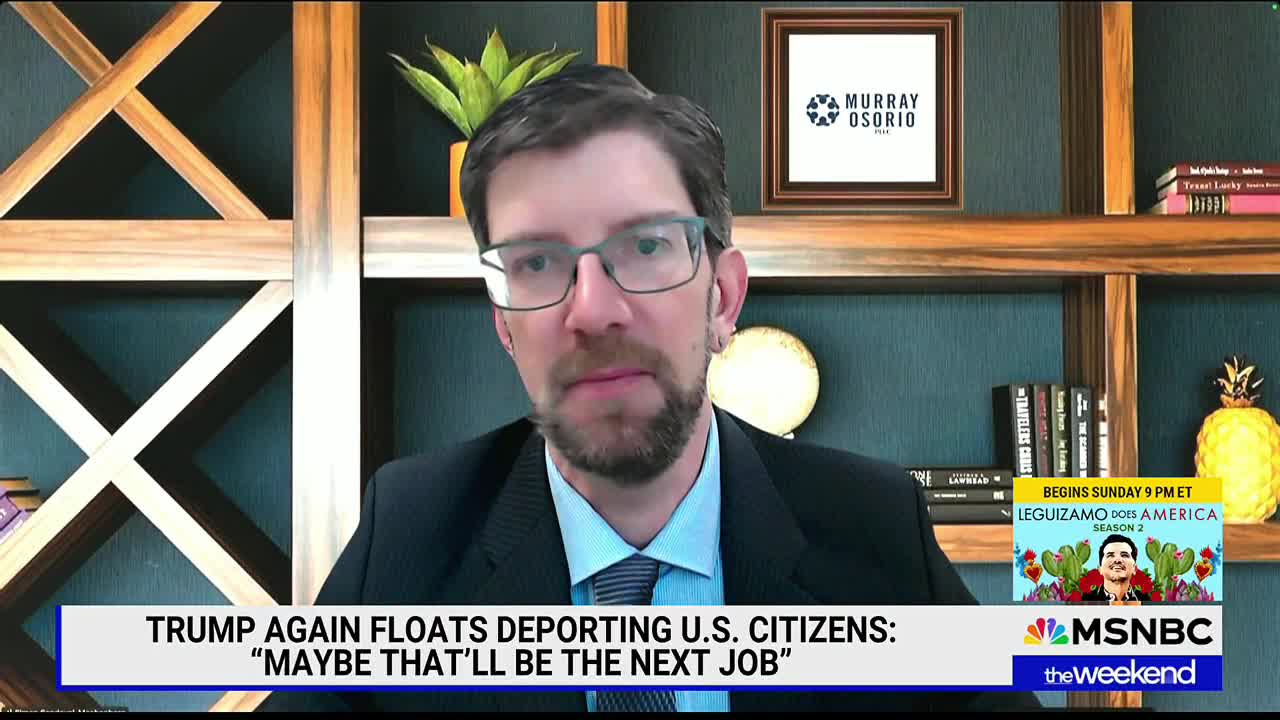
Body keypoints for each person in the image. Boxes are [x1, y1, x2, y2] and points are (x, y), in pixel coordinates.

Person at [258, 64, 1041, 712]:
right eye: (535, 262)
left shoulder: (874, 528)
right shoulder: (410, 532)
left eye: (646, 245)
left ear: (723, 299)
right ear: (504, 324)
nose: (593, 310)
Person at [1082, 534, 1151, 602]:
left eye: (1124, 555)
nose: (1117, 560)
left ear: (1134, 568)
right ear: (1100, 569)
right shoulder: (1084, 601)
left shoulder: (1148, 601)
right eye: (1110, 555)